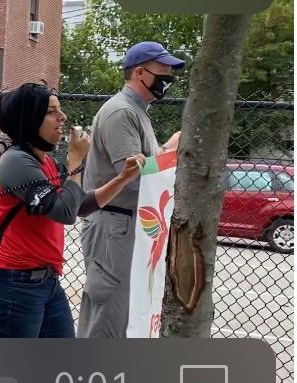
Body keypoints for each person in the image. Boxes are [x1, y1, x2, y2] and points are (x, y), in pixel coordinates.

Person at [0, 83, 144, 338]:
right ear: (30, 119)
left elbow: (78, 205)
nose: (63, 117)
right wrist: (76, 160)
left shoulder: (46, 162)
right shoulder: (16, 161)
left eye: (60, 110)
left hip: (45, 282)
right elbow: (63, 212)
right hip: (15, 284)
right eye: (51, 112)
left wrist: (122, 178)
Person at [77, 41, 184, 338]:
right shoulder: (122, 112)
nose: (168, 80)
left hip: (126, 224)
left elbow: (139, 168)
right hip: (115, 224)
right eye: (163, 72)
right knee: (108, 317)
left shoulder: (136, 111)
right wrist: (168, 155)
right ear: (140, 73)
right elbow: (133, 176)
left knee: (125, 314)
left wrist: (166, 149)